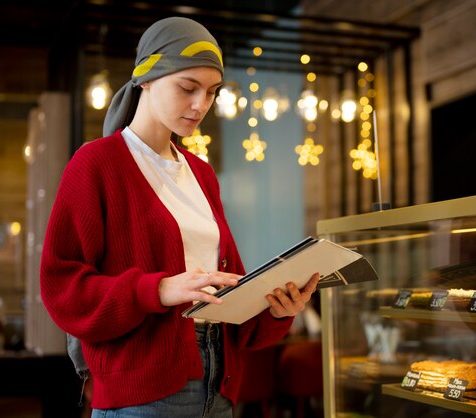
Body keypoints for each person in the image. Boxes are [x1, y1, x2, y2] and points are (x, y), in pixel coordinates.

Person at [39, 16, 319, 418]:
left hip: (218, 386)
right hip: (143, 395)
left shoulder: (201, 173)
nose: (200, 105)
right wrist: (158, 290)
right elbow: (61, 287)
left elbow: (230, 292)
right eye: (188, 88)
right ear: (146, 79)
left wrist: (278, 308)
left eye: (211, 92)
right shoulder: (97, 164)